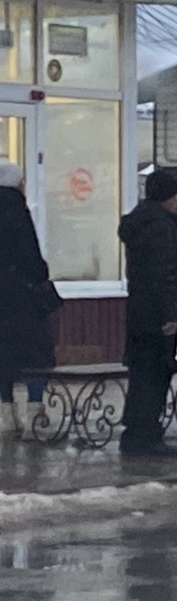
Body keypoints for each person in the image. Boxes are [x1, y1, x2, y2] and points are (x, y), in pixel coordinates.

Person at [118, 169, 177, 457]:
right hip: (158, 315)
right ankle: (147, 434)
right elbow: (164, 274)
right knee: (155, 374)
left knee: (142, 374)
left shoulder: (139, 223)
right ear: (168, 196)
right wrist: (169, 314)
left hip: (140, 311)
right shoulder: (161, 227)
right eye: (176, 194)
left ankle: (136, 430)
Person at [0, 160, 56, 439]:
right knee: (37, 353)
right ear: (18, 183)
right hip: (21, 299)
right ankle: (35, 414)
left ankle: (6, 415)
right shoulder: (16, 210)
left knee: (3, 354)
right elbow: (31, 258)